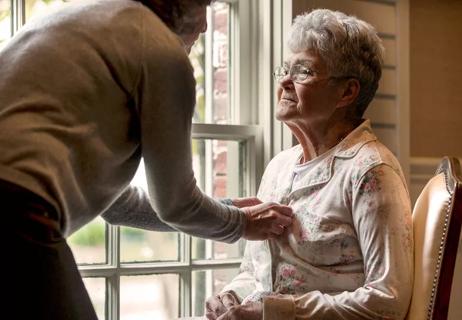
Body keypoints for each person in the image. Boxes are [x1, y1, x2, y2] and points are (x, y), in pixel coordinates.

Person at [0, 0, 293, 319]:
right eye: (202, 7)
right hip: (14, 210)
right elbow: (177, 204)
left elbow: (117, 205)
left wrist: (231, 208)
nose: (205, 25)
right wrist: (242, 223)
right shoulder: (161, 50)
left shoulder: (75, 21)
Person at [204, 8, 413, 320]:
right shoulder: (279, 167)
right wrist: (232, 297)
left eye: (303, 72)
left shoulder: (371, 171)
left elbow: (388, 300)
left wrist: (276, 311)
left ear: (347, 91)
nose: (285, 81)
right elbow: (256, 272)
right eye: (285, 69)